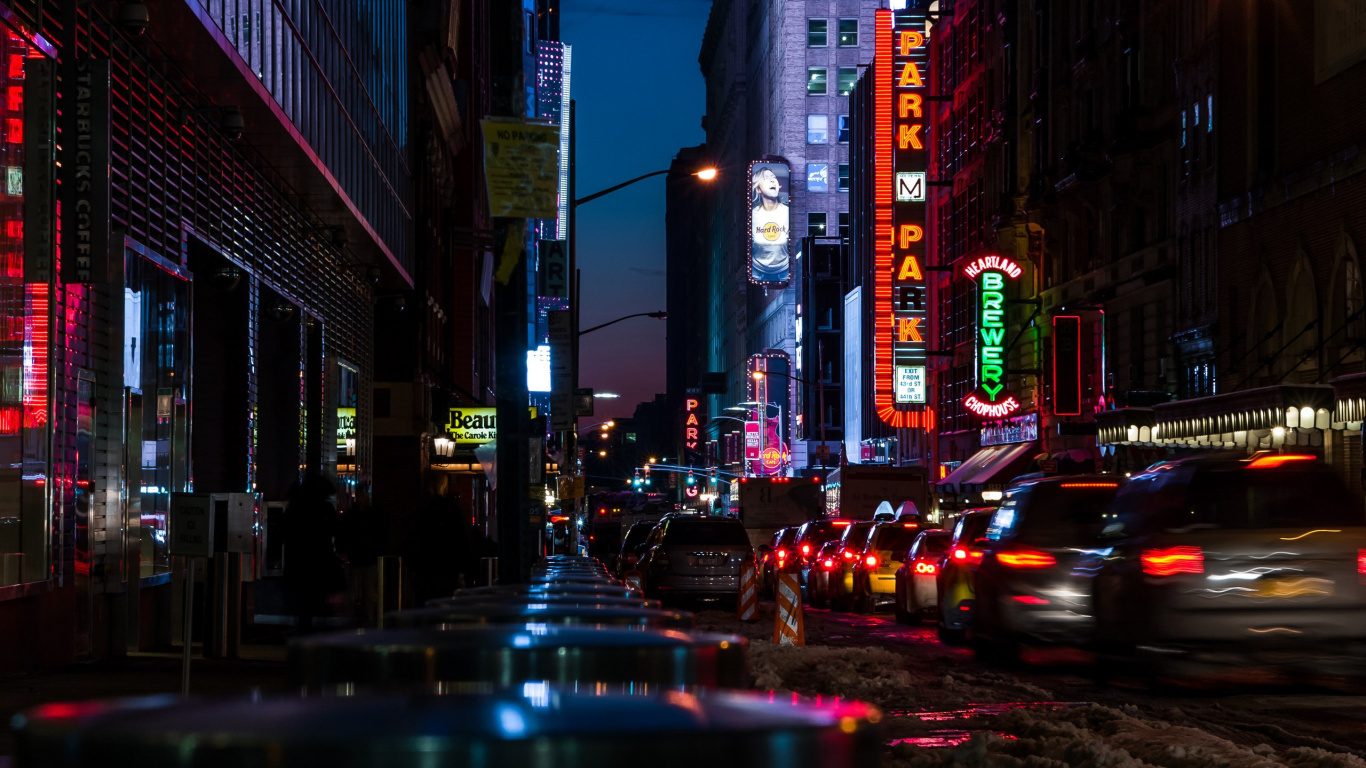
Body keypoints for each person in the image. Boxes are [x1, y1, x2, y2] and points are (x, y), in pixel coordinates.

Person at [282, 471, 343, 635]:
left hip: (299, 563)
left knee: (303, 604)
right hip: (319, 563)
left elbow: (285, 534)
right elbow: (337, 531)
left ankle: (304, 629)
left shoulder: (294, 508)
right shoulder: (325, 509)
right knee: (315, 599)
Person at [338, 485, 387, 626]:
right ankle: (367, 621)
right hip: (366, 558)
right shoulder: (374, 515)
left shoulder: (350, 516)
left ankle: (353, 621)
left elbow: (343, 535)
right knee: (367, 593)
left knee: (356, 593)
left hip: (358, 558)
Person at [750, 166, 790, 282]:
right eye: (766, 178)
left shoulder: (787, 212)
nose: (772, 180)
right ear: (758, 189)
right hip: (757, 271)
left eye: (773, 177)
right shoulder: (753, 215)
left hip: (784, 270)